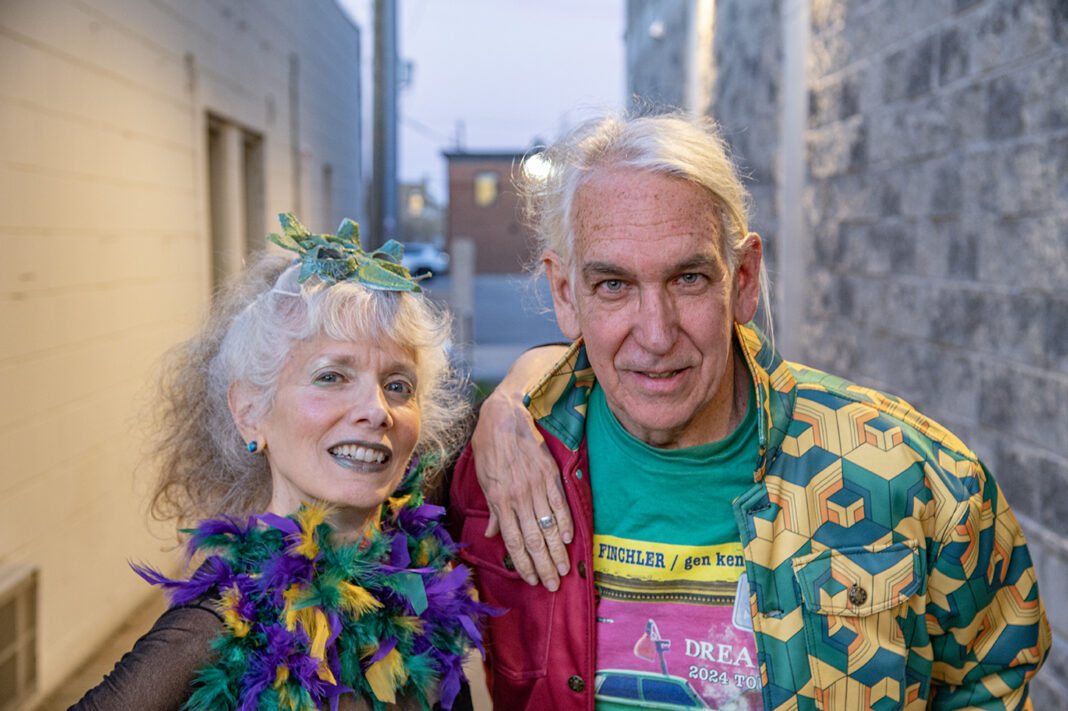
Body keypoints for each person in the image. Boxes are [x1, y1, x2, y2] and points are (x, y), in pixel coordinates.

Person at [447, 113, 1051, 710]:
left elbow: (991, 679)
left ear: (743, 279)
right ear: (564, 293)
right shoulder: (500, 472)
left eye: (688, 278)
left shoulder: (910, 475)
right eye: (614, 285)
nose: (655, 334)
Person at [74, 214, 486, 711]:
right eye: (332, 376)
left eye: (398, 386)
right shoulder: (216, 628)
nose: (377, 410)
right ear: (250, 412)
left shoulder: (424, 592)